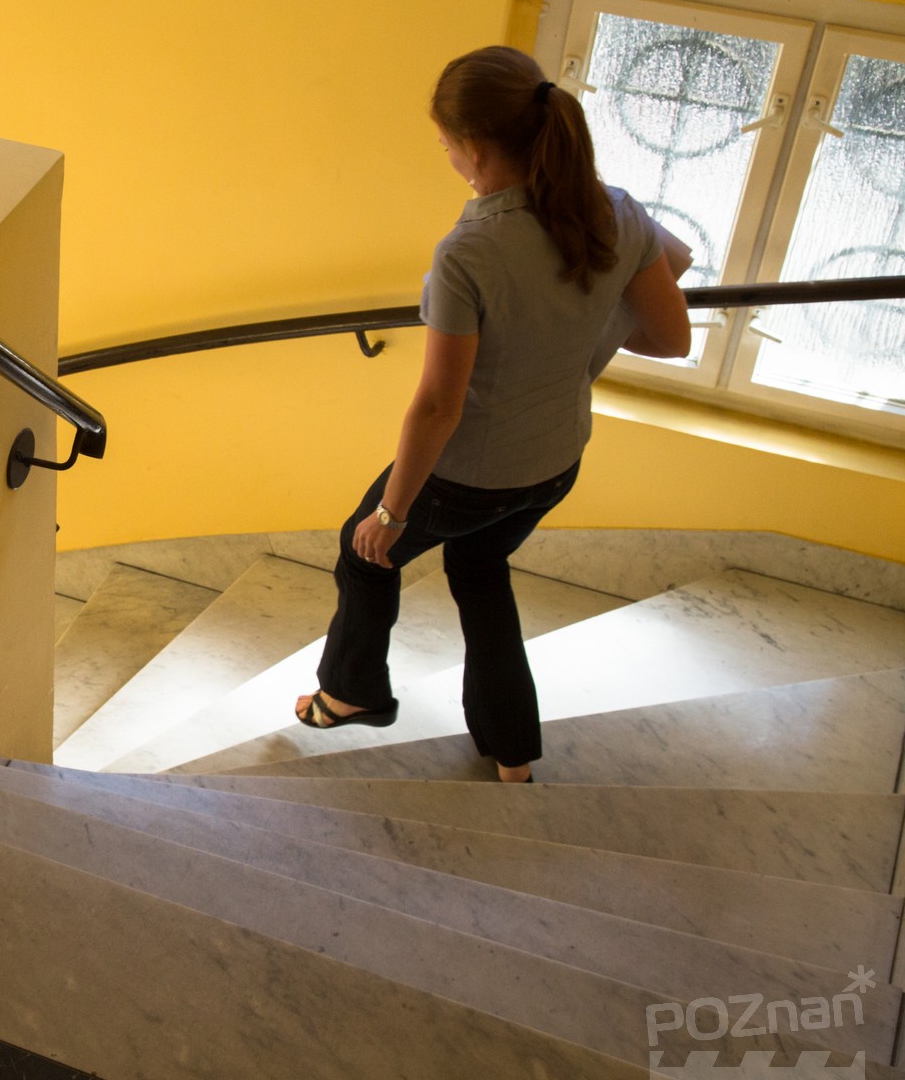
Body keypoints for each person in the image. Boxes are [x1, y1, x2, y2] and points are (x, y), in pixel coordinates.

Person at [293, 45, 693, 783]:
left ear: (473, 150)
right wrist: (579, 334)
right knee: (479, 572)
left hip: (468, 478)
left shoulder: (468, 253)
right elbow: (673, 329)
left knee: (363, 549)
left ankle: (352, 691)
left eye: (444, 143)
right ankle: (512, 753)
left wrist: (390, 514)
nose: (446, 155)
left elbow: (440, 406)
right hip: (554, 464)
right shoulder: (616, 209)